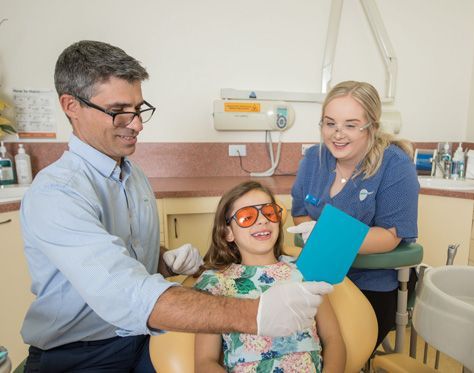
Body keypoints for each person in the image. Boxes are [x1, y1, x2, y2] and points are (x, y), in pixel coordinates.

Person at [19, 40, 333, 372]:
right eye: (119, 111)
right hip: (81, 354)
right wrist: (255, 314)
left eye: (139, 109)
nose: (137, 124)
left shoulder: (134, 175)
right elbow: (123, 293)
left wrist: (162, 261)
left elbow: (115, 260)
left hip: (144, 339)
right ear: (71, 105)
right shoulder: (57, 193)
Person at [290, 80, 419, 349]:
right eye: (330, 123)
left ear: (371, 126)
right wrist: (313, 231)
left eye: (350, 125)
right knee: (289, 345)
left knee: (330, 352)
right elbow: (300, 214)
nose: (337, 134)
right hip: (317, 275)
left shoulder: (394, 165)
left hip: (371, 285)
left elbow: (389, 236)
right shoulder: (314, 159)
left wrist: (327, 236)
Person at [194, 181, 346, 372]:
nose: (262, 220)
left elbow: (333, 339)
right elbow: (204, 362)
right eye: (247, 217)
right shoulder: (216, 284)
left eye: (269, 212)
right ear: (227, 232)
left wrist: (326, 241)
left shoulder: (305, 270)